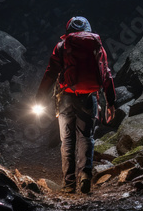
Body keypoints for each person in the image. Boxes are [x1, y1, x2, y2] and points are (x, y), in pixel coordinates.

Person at [35, 16, 116, 195]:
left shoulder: (62, 47)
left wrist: (40, 97)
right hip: (89, 98)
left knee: (68, 140)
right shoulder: (96, 47)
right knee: (86, 137)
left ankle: (69, 184)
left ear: (68, 31)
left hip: (66, 98)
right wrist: (110, 102)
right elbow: (106, 74)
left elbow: (50, 73)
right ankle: (86, 174)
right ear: (88, 30)